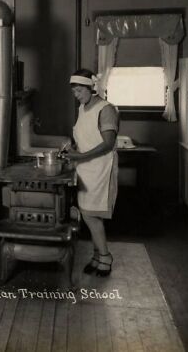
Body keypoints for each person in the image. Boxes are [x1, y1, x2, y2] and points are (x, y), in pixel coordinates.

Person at [62, 68, 118, 277]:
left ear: (90, 88)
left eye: (79, 91)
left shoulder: (106, 109)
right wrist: (72, 148)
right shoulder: (82, 108)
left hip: (100, 166)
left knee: (90, 214)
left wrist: (80, 156)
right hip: (85, 167)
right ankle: (97, 256)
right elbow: (85, 136)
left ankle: (105, 256)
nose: (76, 96)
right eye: (74, 92)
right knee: (89, 214)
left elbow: (108, 143)